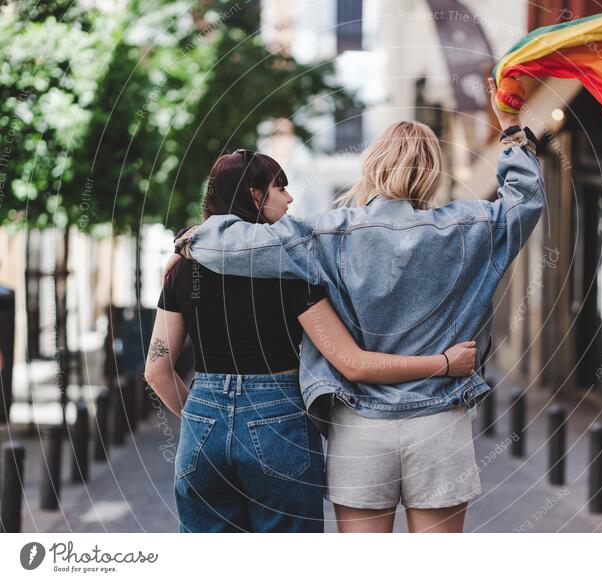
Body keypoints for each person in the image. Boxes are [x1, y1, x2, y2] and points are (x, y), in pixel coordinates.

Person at [175, 78, 544, 532]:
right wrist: (510, 126)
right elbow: (525, 200)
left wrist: (190, 240)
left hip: (359, 428)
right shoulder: (471, 227)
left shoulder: (327, 234)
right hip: (439, 422)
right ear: (432, 172)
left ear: (372, 165)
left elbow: (237, 244)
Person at [144, 149, 477, 533]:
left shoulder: (184, 268)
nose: (290, 199)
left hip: (203, 425)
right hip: (277, 422)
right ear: (255, 196)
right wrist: (445, 363)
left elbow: (157, 368)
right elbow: (350, 362)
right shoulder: (288, 268)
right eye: (280, 188)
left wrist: (204, 418)